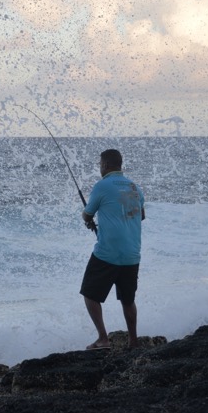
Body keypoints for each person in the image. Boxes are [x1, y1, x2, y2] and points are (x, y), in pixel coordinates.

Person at [80, 149, 145, 349]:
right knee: (128, 300)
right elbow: (140, 215)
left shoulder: (102, 186)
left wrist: (89, 220)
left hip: (107, 253)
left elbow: (87, 214)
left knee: (90, 295)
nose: (100, 168)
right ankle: (133, 341)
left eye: (100, 164)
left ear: (106, 165)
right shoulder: (135, 188)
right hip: (132, 255)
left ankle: (103, 339)